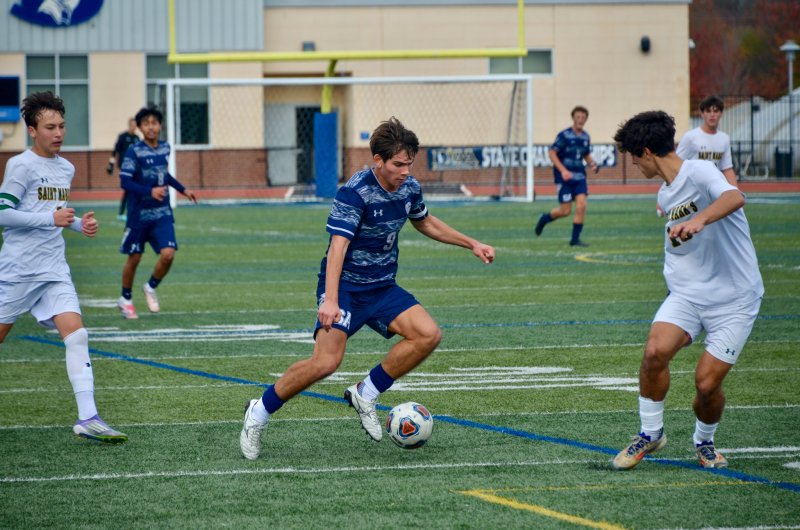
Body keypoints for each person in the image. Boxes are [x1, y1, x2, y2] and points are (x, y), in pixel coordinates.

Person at [239, 117, 495, 460]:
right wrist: (330, 300)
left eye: (410, 163)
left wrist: (471, 243)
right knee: (326, 362)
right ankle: (258, 412)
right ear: (378, 160)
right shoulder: (355, 191)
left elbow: (426, 222)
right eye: (398, 164)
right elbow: (337, 248)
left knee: (428, 334)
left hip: (382, 286)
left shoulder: (409, 187)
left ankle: (366, 391)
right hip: (345, 288)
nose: (405, 171)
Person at [611, 110, 763, 470]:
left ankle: (705, 442)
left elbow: (735, 197)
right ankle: (651, 433)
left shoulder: (699, 171)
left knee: (706, 384)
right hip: (688, 294)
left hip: (736, 297)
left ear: (647, 152)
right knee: (654, 352)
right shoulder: (665, 196)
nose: (636, 167)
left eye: (635, 159)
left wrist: (698, 219)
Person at [0, 91, 127, 443]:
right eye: (49, 127)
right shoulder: (20, 166)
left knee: (78, 335)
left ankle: (88, 417)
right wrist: (51, 219)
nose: (58, 133)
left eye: (62, 125)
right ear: (31, 130)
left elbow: (55, 215)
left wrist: (75, 224)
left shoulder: (66, 168)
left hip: (54, 268)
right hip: (19, 270)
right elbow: (4, 214)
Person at [117, 106, 197, 319]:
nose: (151, 127)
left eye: (154, 123)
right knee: (134, 258)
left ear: (160, 125)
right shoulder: (134, 151)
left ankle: (150, 287)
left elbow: (164, 175)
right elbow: (125, 181)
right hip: (139, 215)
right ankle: (125, 299)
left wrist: (183, 189)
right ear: (140, 127)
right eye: (146, 123)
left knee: (168, 254)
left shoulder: (165, 148)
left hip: (161, 213)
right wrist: (149, 191)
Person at [534, 105, 599, 247]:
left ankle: (574, 240)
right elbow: (552, 153)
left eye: (583, 117)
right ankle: (544, 219)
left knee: (582, 205)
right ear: (573, 118)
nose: (580, 120)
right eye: (578, 117)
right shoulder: (564, 135)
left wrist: (592, 163)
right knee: (565, 211)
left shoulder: (585, 137)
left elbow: (585, 154)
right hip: (564, 179)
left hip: (580, 177)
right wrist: (563, 170)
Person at [677, 95, 737, 187]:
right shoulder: (690, 137)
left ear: (721, 113)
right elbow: (677, 164)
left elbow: (727, 168)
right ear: (702, 113)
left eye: (716, 111)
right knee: (689, 203)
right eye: (708, 111)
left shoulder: (724, 138)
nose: (712, 115)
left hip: (713, 188)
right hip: (693, 189)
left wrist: (736, 191)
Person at [107, 117, 140, 221]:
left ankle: (127, 212)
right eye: (132, 125)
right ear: (129, 125)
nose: (134, 127)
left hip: (135, 167)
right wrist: (111, 164)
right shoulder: (122, 137)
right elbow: (115, 151)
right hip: (124, 167)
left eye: (135, 125)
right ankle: (122, 213)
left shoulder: (137, 138)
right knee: (129, 188)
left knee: (131, 189)